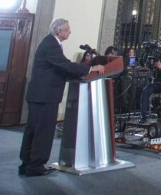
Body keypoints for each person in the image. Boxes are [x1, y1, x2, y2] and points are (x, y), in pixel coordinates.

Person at [19, 18, 105, 177]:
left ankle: (27, 164)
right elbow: (65, 65)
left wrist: (78, 73)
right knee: (42, 132)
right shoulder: (51, 44)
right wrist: (91, 68)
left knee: (33, 130)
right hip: (45, 96)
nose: (70, 32)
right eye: (67, 29)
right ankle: (35, 166)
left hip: (41, 95)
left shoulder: (50, 43)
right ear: (59, 31)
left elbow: (60, 67)